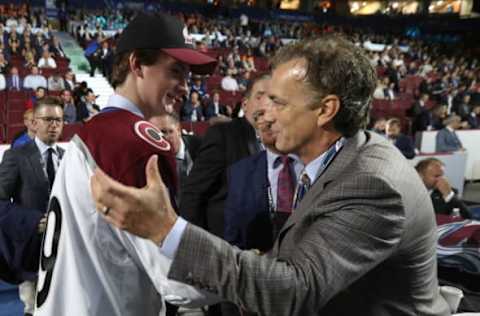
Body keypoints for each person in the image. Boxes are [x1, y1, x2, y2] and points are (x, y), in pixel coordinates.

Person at [91, 36, 450, 315]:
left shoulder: (372, 184)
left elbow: (292, 292)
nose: (264, 112)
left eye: (278, 102)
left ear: (326, 110)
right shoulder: (337, 159)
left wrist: (166, 230)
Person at [33, 13, 219, 316]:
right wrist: (249, 266)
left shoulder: (95, 133)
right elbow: (179, 280)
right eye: (175, 71)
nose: (186, 86)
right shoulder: (133, 141)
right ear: (137, 65)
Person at [179, 75, 268, 239]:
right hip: (224, 248)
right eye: (260, 96)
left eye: (274, 99)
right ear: (245, 104)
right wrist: (198, 247)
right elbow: (193, 195)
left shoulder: (283, 143)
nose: (267, 104)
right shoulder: (223, 135)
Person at [0, 97, 65, 316]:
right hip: (31, 247)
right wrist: (32, 221)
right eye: (48, 119)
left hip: (65, 248)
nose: (54, 125)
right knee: (33, 308)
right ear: (34, 123)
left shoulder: (69, 159)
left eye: (58, 120)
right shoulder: (15, 156)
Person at [224, 78, 303, 253]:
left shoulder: (314, 161)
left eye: (271, 117)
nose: (265, 123)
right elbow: (233, 234)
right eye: (259, 118)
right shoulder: (239, 171)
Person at [150, 112, 202, 204]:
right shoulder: (153, 158)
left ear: (178, 130)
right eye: (158, 135)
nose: (165, 138)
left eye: (168, 131)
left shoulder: (200, 146)